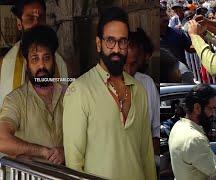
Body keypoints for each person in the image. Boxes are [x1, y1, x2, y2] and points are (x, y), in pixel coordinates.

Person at [63, 7, 156, 179]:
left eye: (122, 42)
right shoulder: (79, 91)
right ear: (99, 44)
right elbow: (74, 164)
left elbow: (147, 155)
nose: (116, 49)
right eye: (110, 41)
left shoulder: (139, 90)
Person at [0, 25, 65, 164]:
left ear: (54, 60)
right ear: (26, 63)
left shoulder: (70, 94)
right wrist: (43, 152)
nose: (41, 65)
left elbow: (90, 136)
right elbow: (2, 139)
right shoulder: (15, 100)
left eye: (46, 58)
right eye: (35, 59)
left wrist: (66, 151)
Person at [0, 0, 68, 108]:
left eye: (40, 18)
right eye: (30, 19)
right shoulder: (6, 64)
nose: (36, 24)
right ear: (19, 23)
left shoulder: (59, 63)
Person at [124, 30, 160, 156]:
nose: (128, 71)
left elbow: (156, 129)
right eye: (124, 64)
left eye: (133, 64)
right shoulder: (104, 86)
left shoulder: (147, 83)